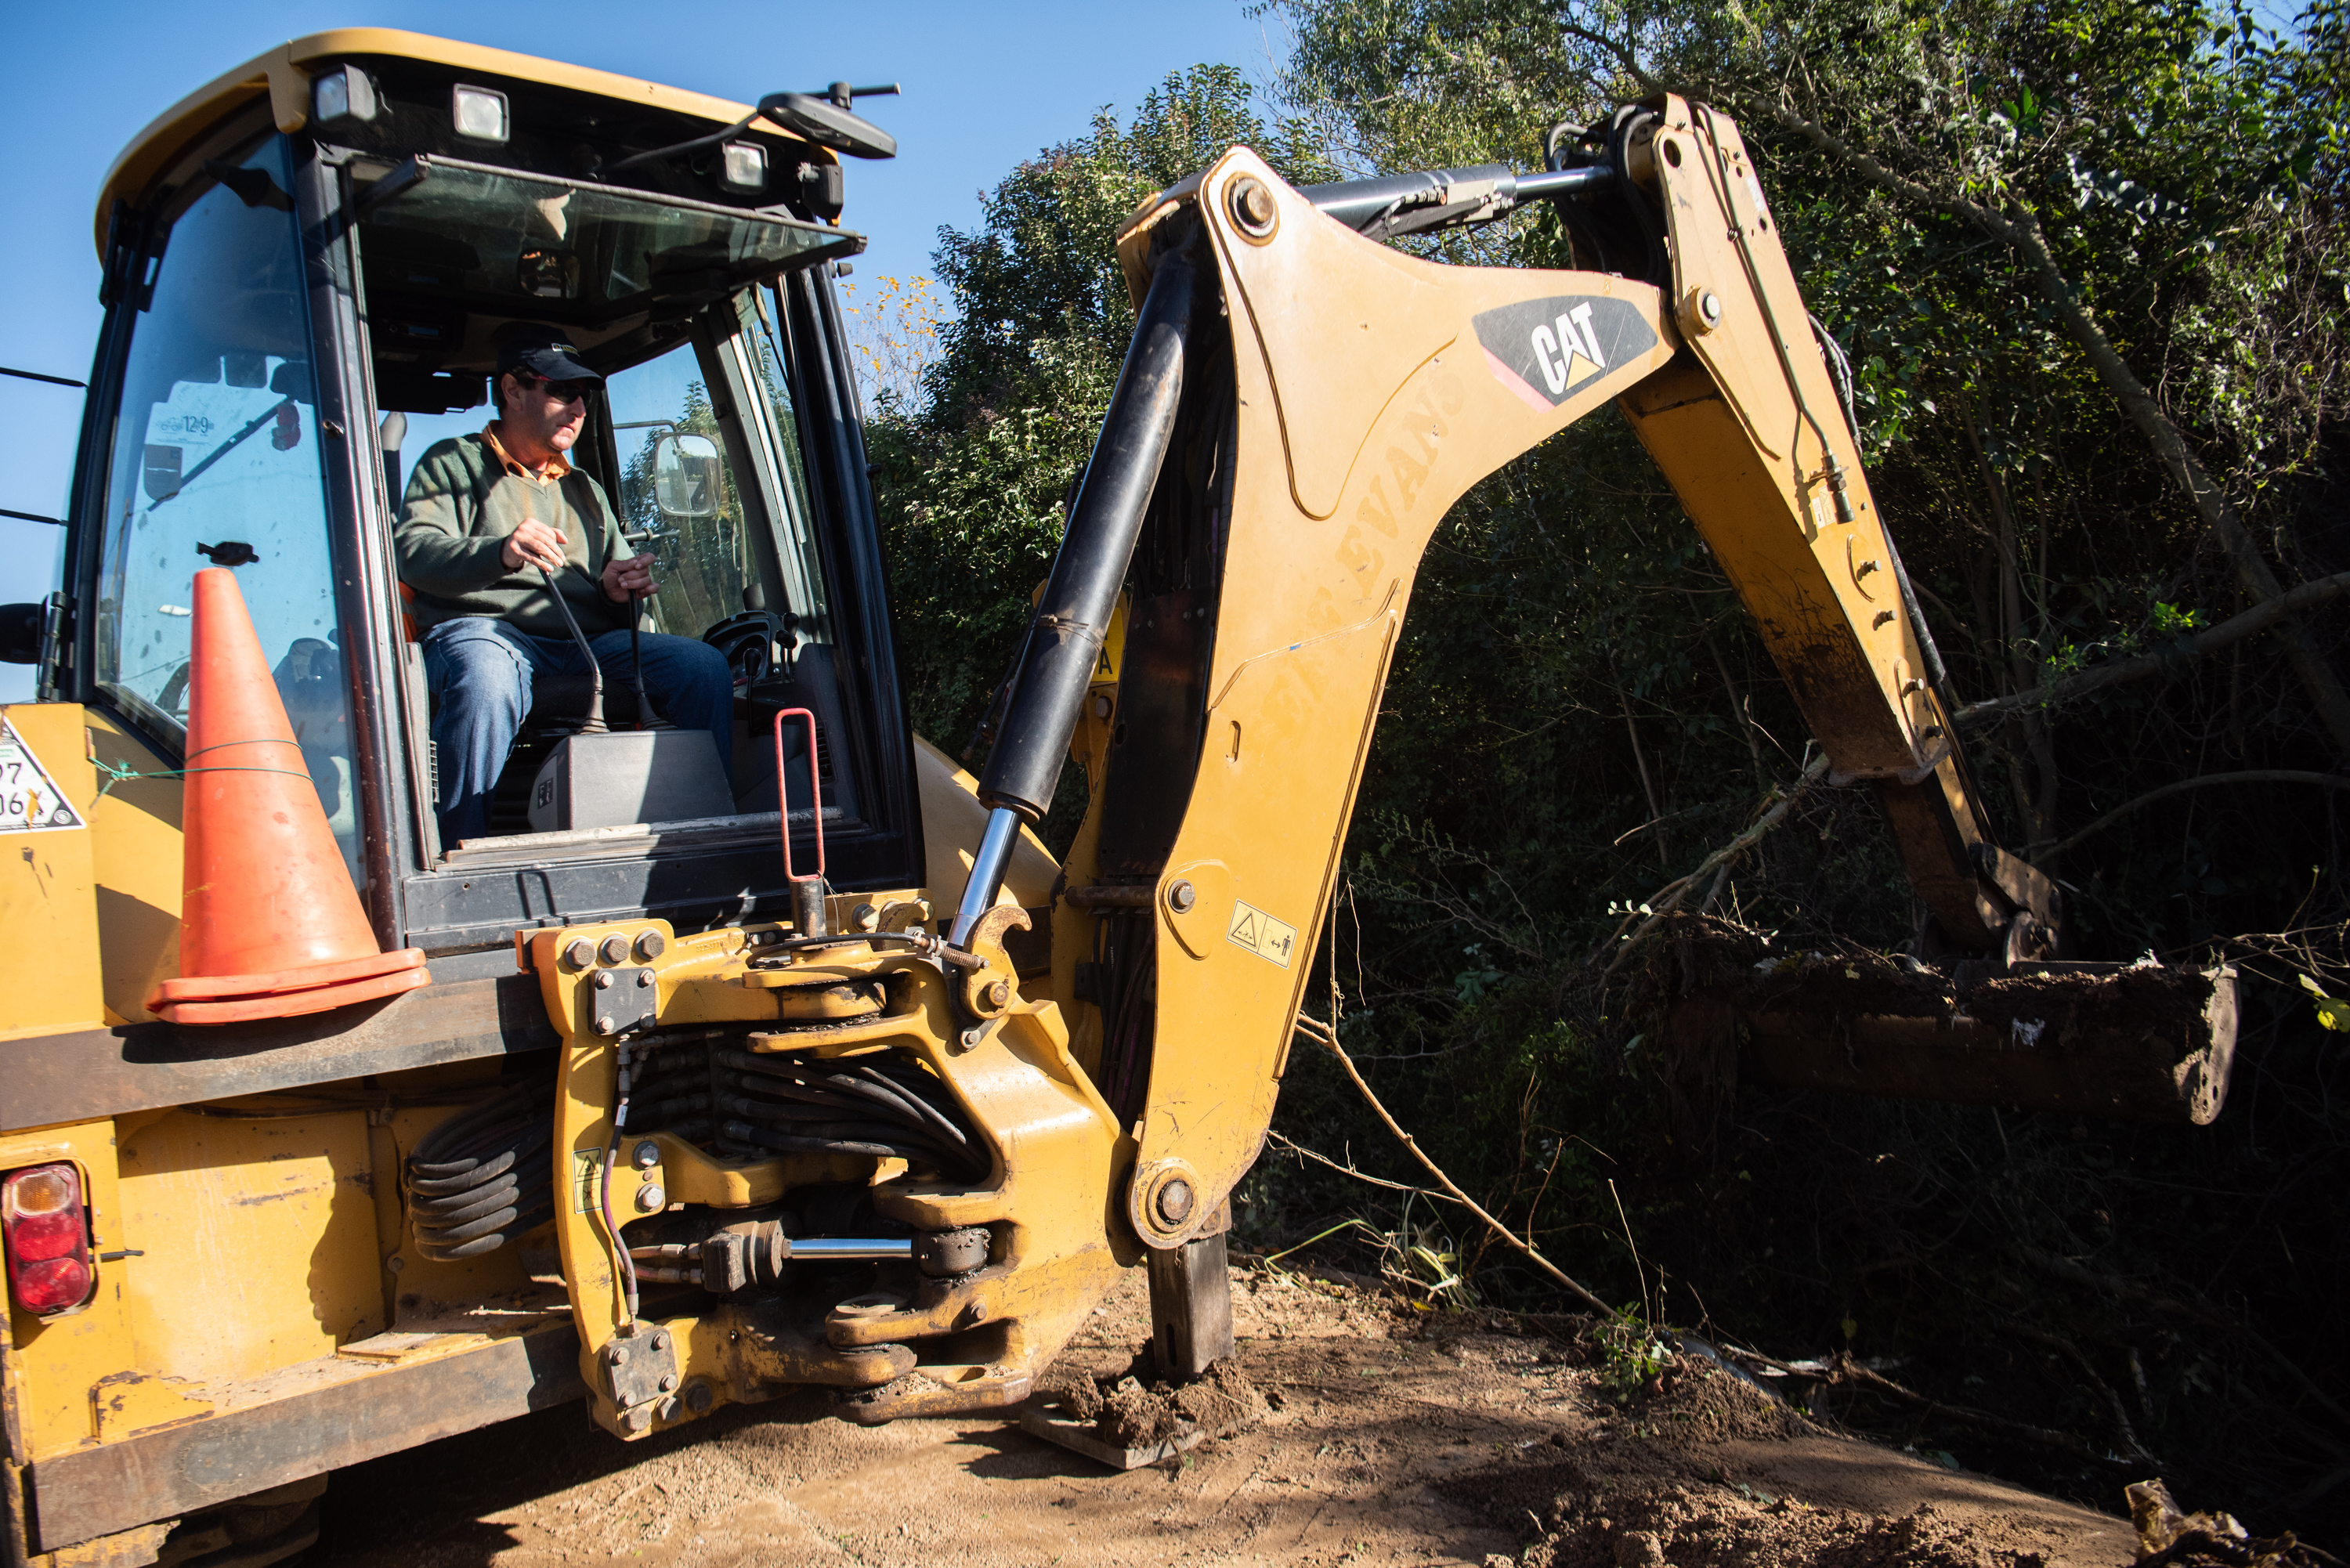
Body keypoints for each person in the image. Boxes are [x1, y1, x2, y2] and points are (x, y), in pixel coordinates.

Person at [396, 327, 734, 846]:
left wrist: (618, 590)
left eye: (582, 394)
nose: (577, 406)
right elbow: (412, 553)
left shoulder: (584, 489)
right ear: (512, 390)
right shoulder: (452, 464)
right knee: (485, 680)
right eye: (561, 391)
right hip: (489, 633)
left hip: (586, 644)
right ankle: (457, 856)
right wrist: (500, 551)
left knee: (702, 667)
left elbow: (616, 579)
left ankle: (709, 840)